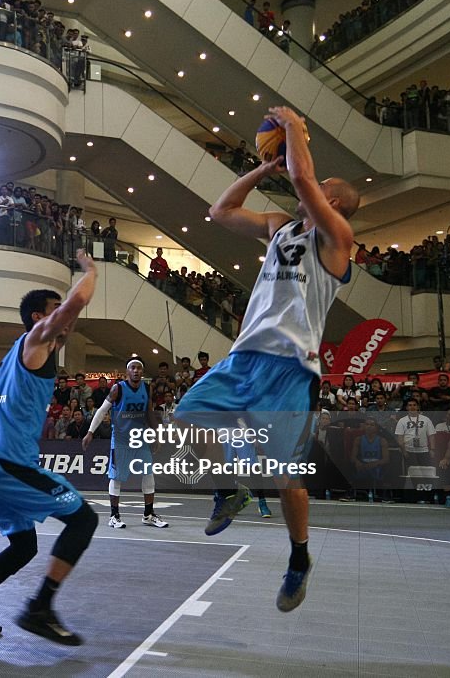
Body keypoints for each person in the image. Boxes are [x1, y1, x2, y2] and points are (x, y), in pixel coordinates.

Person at [174, 106, 358, 613]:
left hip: (292, 368)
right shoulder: (280, 227)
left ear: (333, 201)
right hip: (246, 354)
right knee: (188, 416)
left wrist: (297, 129)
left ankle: (299, 558)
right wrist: (263, 168)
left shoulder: (338, 238)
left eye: (320, 192)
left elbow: (304, 177)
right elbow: (221, 211)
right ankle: (230, 488)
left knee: (285, 476)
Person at [0, 248, 99, 645]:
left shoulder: (28, 350)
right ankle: (39, 607)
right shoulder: (35, 339)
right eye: (55, 310)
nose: (65, 315)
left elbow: (71, 318)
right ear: (38, 318)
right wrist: (91, 269)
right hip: (6, 459)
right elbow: (78, 301)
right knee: (84, 520)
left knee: (24, 545)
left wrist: (68, 314)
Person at [82, 359, 168, 529]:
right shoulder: (118, 388)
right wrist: (90, 432)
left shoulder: (146, 388)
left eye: (139, 368)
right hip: (121, 439)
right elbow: (101, 411)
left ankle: (148, 514)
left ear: (142, 372)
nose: (136, 371)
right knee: (117, 477)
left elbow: (149, 412)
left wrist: (157, 435)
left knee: (148, 473)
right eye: (133, 368)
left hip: (140, 438)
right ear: (127, 371)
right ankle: (114, 516)